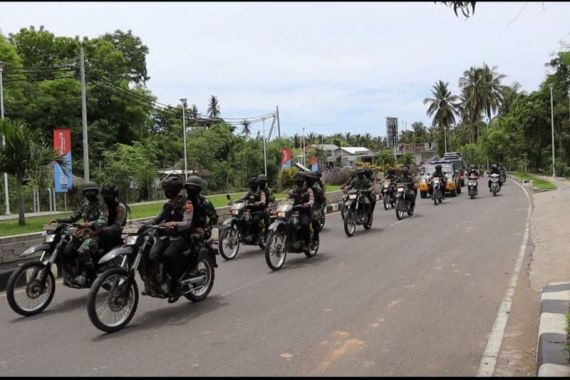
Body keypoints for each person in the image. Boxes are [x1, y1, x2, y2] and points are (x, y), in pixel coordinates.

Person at [52, 181, 108, 286]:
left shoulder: (102, 205)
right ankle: (73, 273)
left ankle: (91, 277)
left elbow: (103, 220)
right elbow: (74, 217)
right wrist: (59, 221)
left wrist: (90, 224)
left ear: (96, 192)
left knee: (82, 250)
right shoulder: (85, 205)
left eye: (92, 192)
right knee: (68, 249)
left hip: (97, 234)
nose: (89, 194)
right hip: (83, 234)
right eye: (87, 192)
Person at [141, 175, 187, 296]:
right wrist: (141, 223)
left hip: (180, 237)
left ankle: (176, 283)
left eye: (169, 189)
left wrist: (174, 224)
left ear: (175, 190)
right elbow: (157, 219)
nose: (167, 192)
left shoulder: (186, 204)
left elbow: (188, 223)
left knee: (168, 255)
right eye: (166, 189)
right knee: (152, 254)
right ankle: (156, 281)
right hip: (166, 237)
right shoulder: (168, 205)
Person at [288, 172, 314, 253]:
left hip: (304, 212)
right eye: (297, 181)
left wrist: (308, 204)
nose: (298, 182)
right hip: (294, 212)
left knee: (305, 224)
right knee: (287, 223)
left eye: (300, 180)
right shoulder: (293, 191)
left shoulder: (308, 189)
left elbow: (312, 199)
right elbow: (287, 200)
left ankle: (307, 243)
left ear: (303, 180)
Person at [98, 184, 128, 254]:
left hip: (117, 233)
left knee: (106, 234)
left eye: (108, 195)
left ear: (114, 195)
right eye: (104, 195)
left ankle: (107, 256)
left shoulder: (120, 207)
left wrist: (102, 229)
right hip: (103, 230)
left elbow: (117, 225)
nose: (106, 197)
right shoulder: (103, 206)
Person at [237, 176, 266, 240]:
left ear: (255, 184)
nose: (250, 186)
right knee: (242, 219)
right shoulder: (250, 192)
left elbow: (263, 201)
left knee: (255, 220)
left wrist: (258, 203)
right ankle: (244, 234)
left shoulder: (261, 192)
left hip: (258, 211)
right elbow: (243, 198)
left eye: (251, 184)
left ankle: (257, 234)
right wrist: (234, 202)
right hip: (250, 211)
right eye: (250, 184)